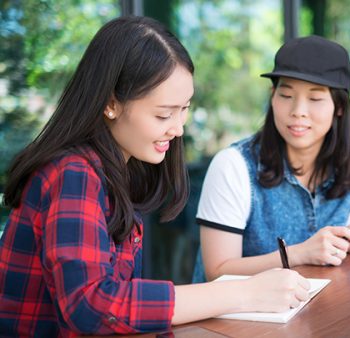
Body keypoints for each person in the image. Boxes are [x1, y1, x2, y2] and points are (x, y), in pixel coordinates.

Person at [0, 16, 309, 337]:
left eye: (184, 108)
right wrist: (244, 293)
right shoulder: (73, 172)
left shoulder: (119, 167)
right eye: (164, 114)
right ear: (110, 104)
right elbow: (90, 303)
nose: (178, 129)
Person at [193, 35, 350, 282]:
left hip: (312, 313)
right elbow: (216, 271)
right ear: (272, 96)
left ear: (340, 107)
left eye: (314, 98)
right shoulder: (233, 166)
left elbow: (333, 257)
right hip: (232, 317)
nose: (298, 111)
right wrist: (298, 254)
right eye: (286, 95)